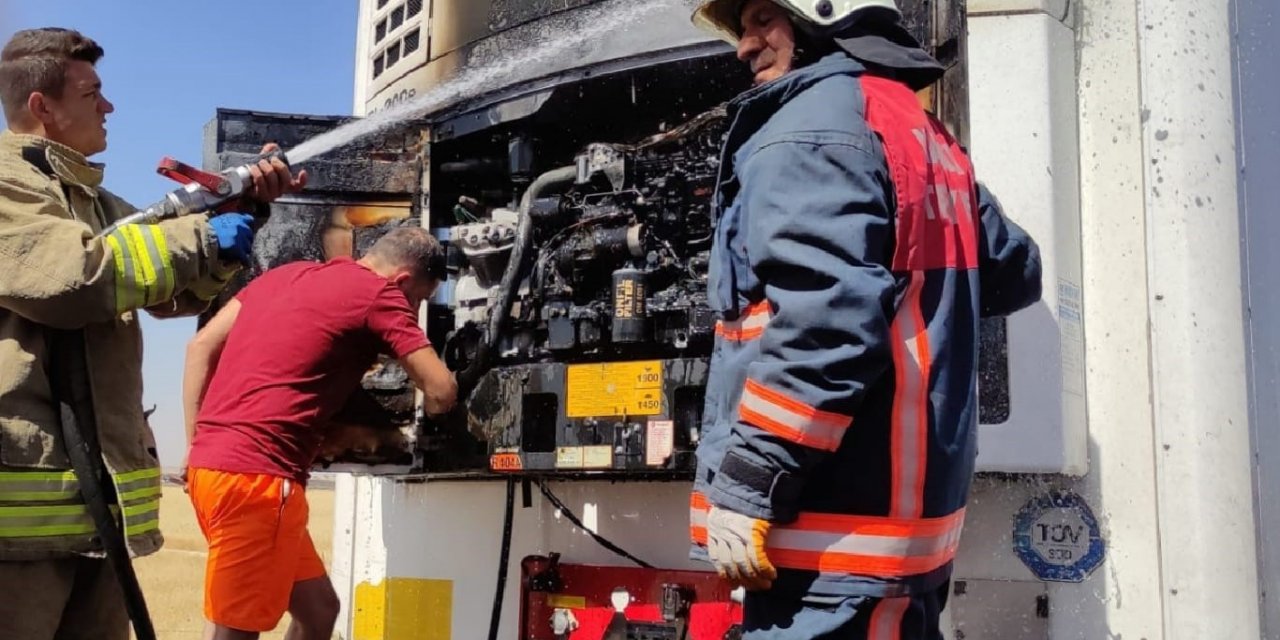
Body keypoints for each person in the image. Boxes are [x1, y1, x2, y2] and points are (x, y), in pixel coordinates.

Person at [685, 1, 1044, 637]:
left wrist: (745, 489)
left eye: (762, 20)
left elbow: (827, 326)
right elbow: (1015, 270)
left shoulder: (805, 130)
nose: (744, 46)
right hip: (903, 544)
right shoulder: (921, 133)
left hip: (828, 546)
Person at [0, 27, 303, 640]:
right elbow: (73, 278)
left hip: (89, 515)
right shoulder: (9, 184)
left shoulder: (90, 200)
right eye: (92, 94)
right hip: (19, 530)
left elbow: (171, 292)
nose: (109, 107)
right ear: (43, 107)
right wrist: (197, 239)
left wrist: (239, 215)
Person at [181, 226, 458, 640]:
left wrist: (194, 445)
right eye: (418, 299)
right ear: (402, 281)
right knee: (235, 630)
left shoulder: (286, 275)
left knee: (320, 610)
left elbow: (200, 345)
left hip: (217, 471)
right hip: (258, 482)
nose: (414, 309)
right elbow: (441, 391)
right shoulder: (380, 294)